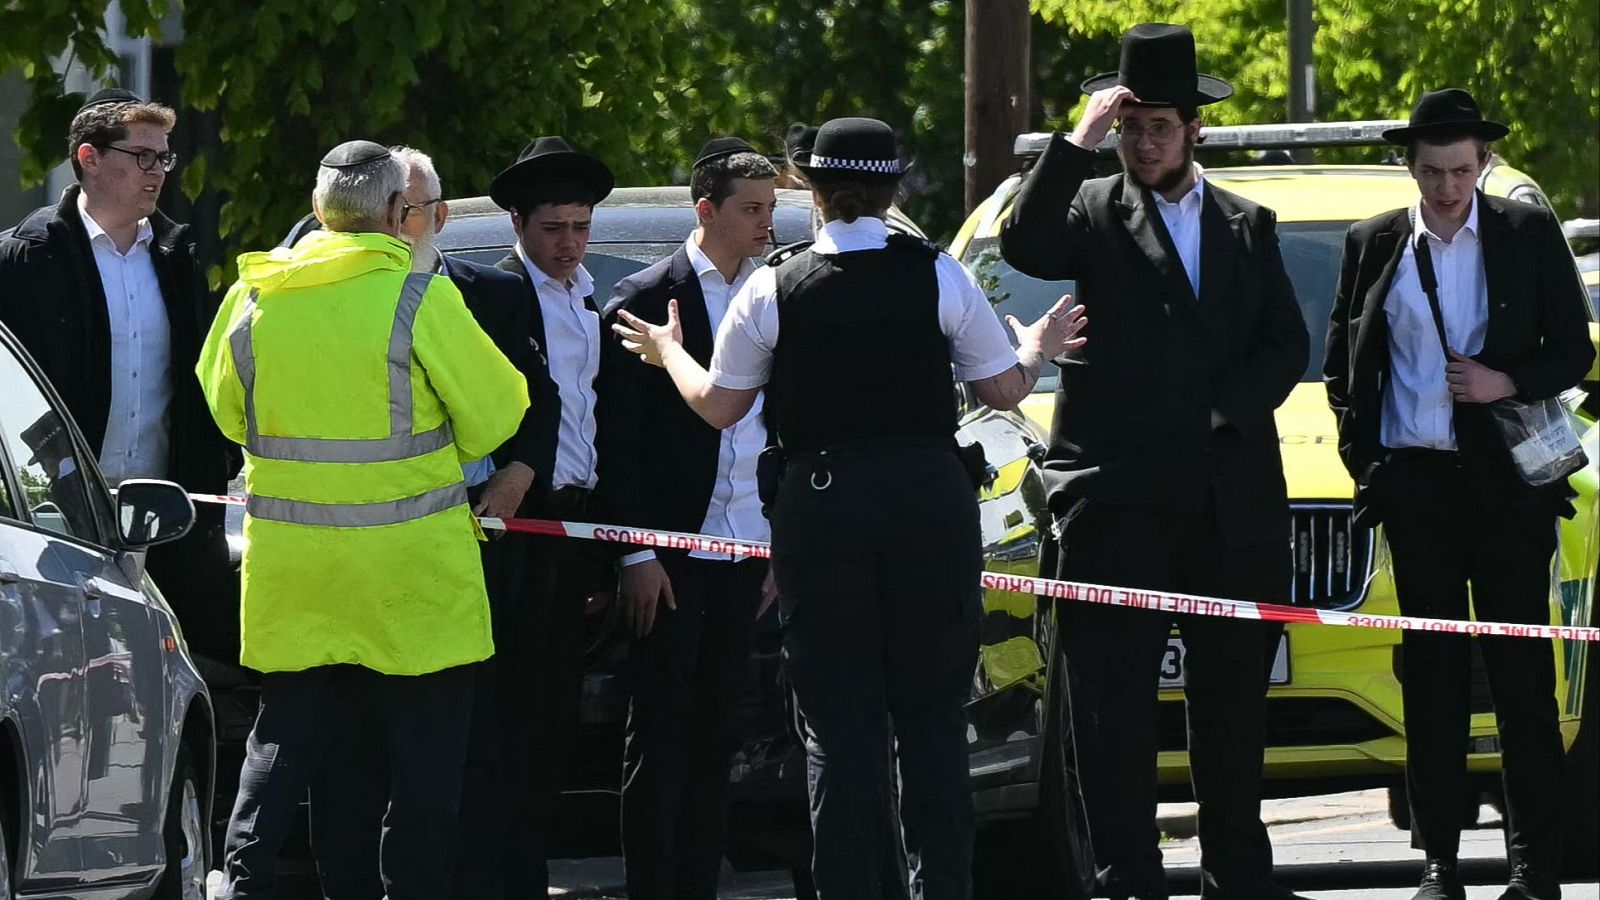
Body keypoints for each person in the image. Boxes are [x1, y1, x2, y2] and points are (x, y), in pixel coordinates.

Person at [613, 116, 1084, 900]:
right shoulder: (936, 274)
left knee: (837, 728)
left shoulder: (775, 283)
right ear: (894, 188)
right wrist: (1034, 347)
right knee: (933, 720)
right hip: (929, 504)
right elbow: (1003, 390)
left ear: (810, 191)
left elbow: (720, 408)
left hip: (822, 511)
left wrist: (669, 354)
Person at [997, 23, 1311, 900]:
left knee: (1231, 706)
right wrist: (1077, 140)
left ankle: (1237, 873)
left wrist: (1220, 407)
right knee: (1112, 708)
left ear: (1194, 131)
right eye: (1132, 128)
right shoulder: (1092, 208)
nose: (1144, 143)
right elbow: (1025, 245)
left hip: (1226, 505)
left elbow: (1286, 343)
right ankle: (1128, 875)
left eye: (1159, 127)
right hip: (1119, 502)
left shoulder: (1247, 224)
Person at [198, 140, 528, 900]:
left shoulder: (253, 296)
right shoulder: (418, 295)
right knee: (422, 777)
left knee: (280, 748)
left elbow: (224, 410)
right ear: (393, 214)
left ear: (317, 212)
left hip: (297, 575)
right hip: (414, 580)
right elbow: (498, 413)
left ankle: (244, 887)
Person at [1324, 89, 1594, 900]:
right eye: (1434, 171)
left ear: (1484, 165)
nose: (1449, 188)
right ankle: (1439, 864)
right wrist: (1370, 469)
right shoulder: (1374, 244)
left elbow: (1574, 351)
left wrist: (1503, 380)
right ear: (1410, 169)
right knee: (1432, 683)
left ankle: (1532, 869)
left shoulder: (1522, 232)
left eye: (1463, 170)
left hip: (1509, 493)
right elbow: (1345, 369)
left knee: (1522, 684)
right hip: (1418, 491)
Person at [302, 145, 547, 900]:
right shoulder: (308, 300)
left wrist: (511, 485)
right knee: (350, 752)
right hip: (346, 563)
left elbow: (534, 407)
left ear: (439, 216)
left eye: (414, 209)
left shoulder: (491, 296)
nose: (403, 223)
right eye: (392, 208)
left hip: (467, 550)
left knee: (464, 753)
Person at [595, 136, 780, 899]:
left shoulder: (778, 291)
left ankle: (701, 884)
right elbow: (620, 445)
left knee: (717, 737)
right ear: (706, 210)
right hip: (670, 555)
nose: (766, 224)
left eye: (771, 208)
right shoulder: (642, 300)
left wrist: (776, 543)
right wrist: (636, 554)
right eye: (751, 210)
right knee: (661, 733)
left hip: (750, 549)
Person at [0, 87, 238, 662]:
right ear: (89, 159)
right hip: (56, 516)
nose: (157, 172)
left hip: (166, 516)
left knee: (175, 682)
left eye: (164, 158)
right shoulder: (24, 260)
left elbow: (196, 381)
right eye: (142, 156)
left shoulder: (177, 257)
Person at [475, 134, 616, 897]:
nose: (569, 243)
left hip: (577, 533)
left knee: (549, 726)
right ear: (520, 228)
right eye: (553, 228)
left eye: (581, 226)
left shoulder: (592, 299)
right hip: (513, 533)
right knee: (500, 722)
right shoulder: (495, 296)